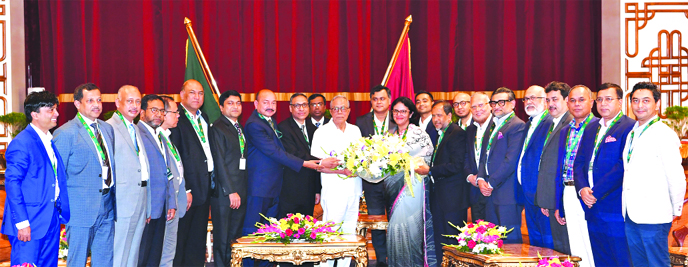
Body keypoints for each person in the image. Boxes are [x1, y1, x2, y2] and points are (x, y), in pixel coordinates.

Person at [242, 89, 335, 267]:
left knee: (270, 234)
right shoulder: (255, 124)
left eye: (273, 103)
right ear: (256, 104)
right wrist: (309, 164)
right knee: (252, 232)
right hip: (259, 187)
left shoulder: (270, 122)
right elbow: (276, 153)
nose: (270, 106)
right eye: (265, 102)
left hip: (274, 186)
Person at [1, 91, 70, 266]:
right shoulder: (22, 142)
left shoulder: (48, 140)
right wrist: (22, 222)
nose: (56, 114)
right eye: (51, 110)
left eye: (56, 109)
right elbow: (12, 184)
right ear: (35, 114)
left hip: (50, 218)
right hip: (29, 221)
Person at [53, 83, 116, 266]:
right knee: (77, 261)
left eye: (99, 100)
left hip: (107, 205)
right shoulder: (65, 133)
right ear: (77, 104)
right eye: (90, 101)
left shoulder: (106, 129)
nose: (96, 104)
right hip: (80, 209)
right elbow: (58, 177)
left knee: (105, 260)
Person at [623, 82, 685, 267]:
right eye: (635, 101)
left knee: (657, 263)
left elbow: (676, 177)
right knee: (639, 263)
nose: (639, 105)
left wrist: (675, 210)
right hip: (631, 213)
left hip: (655, 214)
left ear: (657, 104)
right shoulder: (633, 132)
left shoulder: (664, 134)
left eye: (646, 101)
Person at [574, 83, 634, 267]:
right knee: (601, 259)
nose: (603, 104)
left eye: (609, 99)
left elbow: (622, 166)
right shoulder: (591, 127)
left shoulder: (629, 127)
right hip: (591, 207)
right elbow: (579, 162)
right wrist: (582, 188)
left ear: (620, 102)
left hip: (614, 206)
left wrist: (595, 193)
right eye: (599, 99)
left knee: (621, 259)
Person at [311, 95, 362, 267]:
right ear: (330, 111)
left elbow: (362, 159)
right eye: (336, 108)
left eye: (343, 108)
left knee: (349, 232)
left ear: (349, 111)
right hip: (334, 191)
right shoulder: (321, 132)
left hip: (354, 189)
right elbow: (318, 165)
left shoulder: (355, 130)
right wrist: (342, 170)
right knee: (330, 233)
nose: (340, 112)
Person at [385, 97, 436, 267]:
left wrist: (408, 163)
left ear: (411, 113)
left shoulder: (419, 133)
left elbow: (428, 157)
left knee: (411, 228)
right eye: (396, 111)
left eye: (403, 111)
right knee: (395, 227)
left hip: (412, 186)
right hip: (393, 187)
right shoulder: (388, 135)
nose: (399, 114)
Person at [415, 101, 468, 262]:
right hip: (441, 196)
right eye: (433, 116)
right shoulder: (442, 133)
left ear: (449, 116)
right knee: (441, 238)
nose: (435, 119)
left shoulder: (456, 133)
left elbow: (456, 165)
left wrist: (430, 170)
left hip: (452, 199)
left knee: (452, 240)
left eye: (439, 115)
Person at [170, 79, 213, 266]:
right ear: (182, 95)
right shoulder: (176, 119)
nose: (197, 96)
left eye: (200, 93)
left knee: (197, 241)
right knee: (182, 240)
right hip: (186, 191)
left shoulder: (203, 117)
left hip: (204, 188)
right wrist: (185, 189)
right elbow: (175, 157)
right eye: (192, 92)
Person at [554, 85, 597, 267]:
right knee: (575, 243)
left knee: (591, 242)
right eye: (572, 100)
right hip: (568, 191)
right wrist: (558, 202)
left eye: (581, 100)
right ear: (567, 103)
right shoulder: (566, 130)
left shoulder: (598, 127)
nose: (577, 104)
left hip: (588, 192)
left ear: (592, 102)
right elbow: (559, 167)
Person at [107, 85, 150, 267]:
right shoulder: (109, 128)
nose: (134, 106)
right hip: (122, 201)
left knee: (133, 254)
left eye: (138, 101)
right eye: (129, 101)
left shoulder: (135, 127)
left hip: (140, 198)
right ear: (118, 103)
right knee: (119, 253)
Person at [476, 87, 525, 244]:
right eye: (494, 102)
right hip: (490, 193)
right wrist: (481, 178)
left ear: (512, 103)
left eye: (501, 102)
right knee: (493, 242)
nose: (496, 106)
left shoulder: (517, 125)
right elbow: (485, 156)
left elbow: (510, 161)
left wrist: (490, 183)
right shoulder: (493, 125)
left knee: (510, 244)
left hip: (507, 194)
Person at [355, 85, 396, 266]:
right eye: (375, 99)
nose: (379, 102)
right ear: (371, 101)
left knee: (396, 222)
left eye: (382, 98)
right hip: (371, 182)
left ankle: (395, 257)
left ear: (389, 100)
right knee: (377, 222)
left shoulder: (398, 119)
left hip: (395, 180)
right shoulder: (361, 121)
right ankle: (380, 260)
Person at [209, 90, 248, 267]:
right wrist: (231, 191)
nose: (235, 106)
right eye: (230, 103)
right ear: (221, 107)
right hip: (226, 194)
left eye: (238, 103)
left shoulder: (239, 128)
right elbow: (219, 162)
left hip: (240, 190)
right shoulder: (218, 127)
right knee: (223, 239)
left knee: (234, 238)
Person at [137, 94, 177, 267]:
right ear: (142, 112)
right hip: (147, 207)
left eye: (161, 111)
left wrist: (171, 202)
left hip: (161, 206)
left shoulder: (159, 135)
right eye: (154, 110)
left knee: (155, 255)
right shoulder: (137, 133)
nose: (158, 115)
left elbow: (166, 172)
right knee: (142, 255)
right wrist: (145, 207)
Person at [536, 81, 573, 254]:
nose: (550, 104)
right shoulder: (550, 123)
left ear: (566, 99)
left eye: (555, 99)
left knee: (566, 246)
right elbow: (547, 163)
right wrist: (545, 198)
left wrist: (557, 201)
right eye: (548, 100)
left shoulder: (571, 124)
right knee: (557, 246)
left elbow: (564, 167)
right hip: (551, 196)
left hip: (563, 198)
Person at [516, 85, 554, 249]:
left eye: (534, 98)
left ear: (545, 101)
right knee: (535, 242)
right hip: (528, 192)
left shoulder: (551, 123)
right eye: (526, 98)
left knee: (548, 242)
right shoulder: (528, 124)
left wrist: (544, 194)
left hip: (542, 194)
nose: (529, 102)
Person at [158, 95, 191, 267]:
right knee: (162, 251)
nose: (178, 115)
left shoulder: (169, 137)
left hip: (175, 203)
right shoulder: (157, 139)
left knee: (170, 252)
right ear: (163, 114)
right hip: (165, 205)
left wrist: (185, 190)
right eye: (175, 112)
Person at [278, 93, 321, 219]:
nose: (301, 109)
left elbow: (317, 156)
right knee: (289, 229)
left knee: (306, 228)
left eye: (304, 105)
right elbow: (293, 153)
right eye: (297, 105)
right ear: (290, 108)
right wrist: (321, 160)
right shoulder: (283, 128)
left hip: (309, 188)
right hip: (291, 188)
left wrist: (317, 189)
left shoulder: (314, 129)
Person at [465, 92, 493, 222]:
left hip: (492, 188)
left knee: (496, 236)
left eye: (481, 105)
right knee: (478, 234)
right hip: (474, 189)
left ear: (490, 106)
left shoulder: (498, 126)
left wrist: (484, 179)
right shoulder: (470, 130)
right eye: (474, 107)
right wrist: (470, 176)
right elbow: (466, 156)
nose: (477, 110)